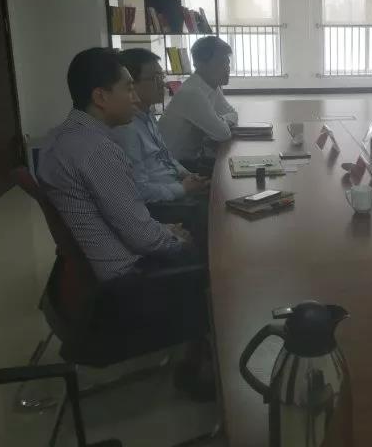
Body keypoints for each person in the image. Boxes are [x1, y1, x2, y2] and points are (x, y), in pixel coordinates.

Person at [37, 47, 214, 399]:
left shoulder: (59, 137)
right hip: (124, 285)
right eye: (128, 88)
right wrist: (177, 239)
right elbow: (142, 237)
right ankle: (199, 373)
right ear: (100, 97)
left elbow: (123, 218)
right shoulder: (98, 150)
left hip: (99, 270)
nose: (135, 97)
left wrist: (163, 230)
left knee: (197, 236)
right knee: (219, 265)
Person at [112, 48, 210, 203]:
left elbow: (167, 157)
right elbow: (140, 190)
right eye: (155, 78)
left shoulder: (148, 115)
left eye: (162, 76)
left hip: (176, 185)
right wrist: (183, 189)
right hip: (161, 204)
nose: (163, 84)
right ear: (131, 84)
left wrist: (188, 175)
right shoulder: (126, 128)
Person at [159, 36, 238, 164]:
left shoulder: (212, 85)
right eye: (220, 62)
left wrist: (219, 120)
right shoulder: (191, 93)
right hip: (177, 165)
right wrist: (219, 122)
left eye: (227, 62)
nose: (227, 68)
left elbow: (233, 114)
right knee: (231, 167)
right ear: (201, 64)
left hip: (194, 157)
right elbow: (223, 134)